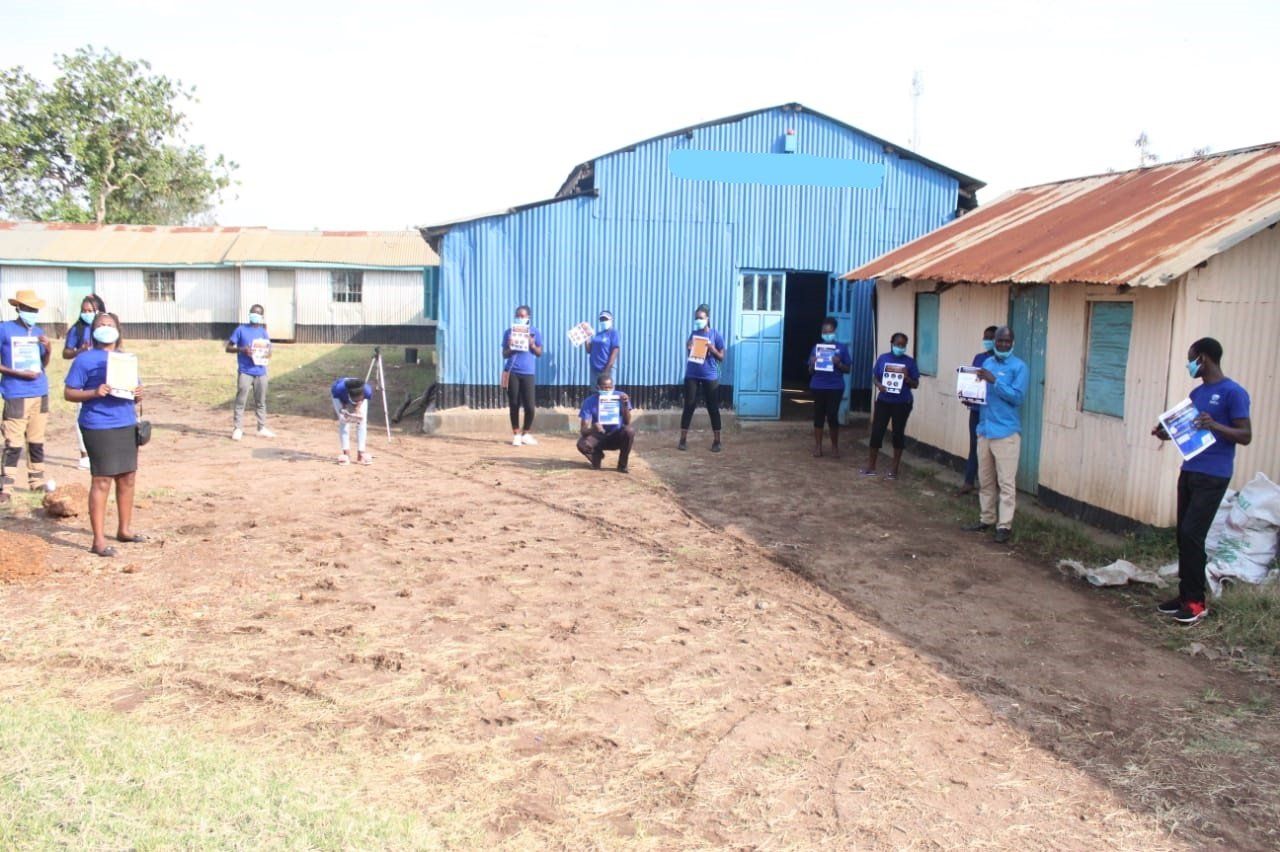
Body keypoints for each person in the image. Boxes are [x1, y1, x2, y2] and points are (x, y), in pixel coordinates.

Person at [1153, 338, 1252, 625]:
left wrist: (1215, 425)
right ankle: (1185, 596)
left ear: (1204, 358)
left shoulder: (1234, 392)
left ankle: (1197, 603)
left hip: (1214, 474)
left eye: (1191, 359)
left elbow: (1246, 435)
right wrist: (1166, 433)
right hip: (1190, 469)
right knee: (1183, 535)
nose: (1189, 365)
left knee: (1193, 533)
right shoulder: (1197, 394)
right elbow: (1190, 431)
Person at [63, 312, 146, 556]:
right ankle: (98, 540)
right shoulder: (84, 360)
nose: (106, 327)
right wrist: (94, 392)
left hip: (126, 422)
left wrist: (138, 393)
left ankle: (124, 530)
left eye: (110, 324)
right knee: (102, 479)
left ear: (118, 330)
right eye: (101, 324)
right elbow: (69, 393)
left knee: (127, 477)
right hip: (98, 424)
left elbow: (133, 391)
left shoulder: (125, 359)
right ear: (94, 331)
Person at [963, 326, 1028, 544]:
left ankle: (1004, 526)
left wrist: (995, 381)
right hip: (984, 430)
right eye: (1000, 340)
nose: (1002, 344)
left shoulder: (1019, 367)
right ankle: (987, 519)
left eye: (1007, 341)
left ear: (1012, 343)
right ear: (995, 342)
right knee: (986, 480)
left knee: (1006, 483)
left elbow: (1018, 397)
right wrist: (969, 397)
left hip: (1006, 433)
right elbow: (980, 393)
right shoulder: (987, 363)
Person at [0, 289, 53, 503]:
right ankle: (6, 486)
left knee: (36, 440)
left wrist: (48, 349)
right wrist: (18, 373)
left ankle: (36, 481)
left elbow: (43, 364)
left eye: (35, 309)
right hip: (16, 393)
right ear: (18, 308)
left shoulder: (38, 332)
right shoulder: (4, 329)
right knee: (13, 443)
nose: (32, 312)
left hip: (40, 392)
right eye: (28, 308)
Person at [861, 332, 920, 479]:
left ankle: (894, 469)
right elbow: (875, 377)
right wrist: (879, 385)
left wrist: (907, 378)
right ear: (892, 343)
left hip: (902, 403)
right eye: (898, 344)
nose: (900, 347)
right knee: (877, 432)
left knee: (897, 434)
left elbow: (915, 384)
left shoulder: (910, 362)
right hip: (884, 401)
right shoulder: (883, 358)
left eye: (903, 345)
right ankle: (871, 466)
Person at [63, 294, 108, 471]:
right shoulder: (78, 329)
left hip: (103, 374)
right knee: (82, 412)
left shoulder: (106, 327)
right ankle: (84, 454)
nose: (86, 314)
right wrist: (78, 351)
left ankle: (103, 451)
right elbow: (66, 353)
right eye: (84, 311)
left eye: (90, 310)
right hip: (84, 377)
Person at [678, 304, 726, 452]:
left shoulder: (715, 335)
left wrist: (712, 349)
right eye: (696, 318)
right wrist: (688, 346)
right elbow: (691, 354)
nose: (698, 320)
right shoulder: (694, 334)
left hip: (709, 375)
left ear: (707, 319)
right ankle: (682, 439)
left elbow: (721, 357)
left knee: (712, 407)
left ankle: (717, 441)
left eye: (701, 318)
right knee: (689, 406)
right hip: (692, 374)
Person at [958, 325, 998, 495]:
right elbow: (972, 380)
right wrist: (967, 395)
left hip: (995, 411)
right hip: (976, 410)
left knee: (994, 447)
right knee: (974, 445)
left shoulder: (1003, 362)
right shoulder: (979, 358)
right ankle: (969, 481)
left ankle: (991, 485)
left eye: (991, 338)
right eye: (985, 337)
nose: (987, 341)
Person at [226, 304, 274, 441]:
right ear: (249, 314)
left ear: (261, 317)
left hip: (260, 371)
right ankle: (238, 428)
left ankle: (261, 427)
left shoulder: (263, 332)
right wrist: (242, 350)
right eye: (253, 313)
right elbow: (228, 347)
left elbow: (268, 350)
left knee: (261, 401)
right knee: (241, 400)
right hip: (245, 371)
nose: (255, 315)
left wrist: (265, 354)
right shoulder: (240, 330)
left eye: (258, 313)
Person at [808, 317, 852, 458]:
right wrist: (812, 363)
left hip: (835, 387)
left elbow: (848, 369)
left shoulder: (842, 348)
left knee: (832, 415)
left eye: (830, 331)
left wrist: (838, 363)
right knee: (818, 416)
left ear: (834, 332)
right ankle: (818, 447)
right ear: (822, 333)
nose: (827, 334)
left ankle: (834, 447)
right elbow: (810, 371)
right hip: (818, 386)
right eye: (825, 332)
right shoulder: (816, 349)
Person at [577, 374, 636, 473]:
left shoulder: (621, 397)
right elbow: (583, 431)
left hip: (616, 436)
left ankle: (622, 465)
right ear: (598, 388)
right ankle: (597, 457)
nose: (608, 390)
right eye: (604, 388)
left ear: (613, 387)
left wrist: (625, 405)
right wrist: (593, 429)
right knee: (582, 444)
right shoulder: (589, 401)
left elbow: (627, 422)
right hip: (599, 437)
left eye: (610, 387)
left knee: (630, 431)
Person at [502, 305, 543, 446]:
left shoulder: (535, 332)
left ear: (528, 317)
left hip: (528, 373)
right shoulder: (509, 332)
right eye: (517, 316)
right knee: (514, 404)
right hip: (512, 371)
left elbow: (539, 353)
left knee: (530, 407)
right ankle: (516, 434)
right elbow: (504, 354)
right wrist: (510, 346)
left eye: (522, 316)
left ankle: (526, 433)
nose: (520, 318)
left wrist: (532, 345)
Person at [331, 377, 374, 466]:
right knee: (344, 422)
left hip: (354, 395)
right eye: (355, 400)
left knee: (362, 421)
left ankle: (361, 454)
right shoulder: (338, 389)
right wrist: (343, 410)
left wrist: (357, 408)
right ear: (349, 395)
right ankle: (346, 455)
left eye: (359, 399)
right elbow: (341, 403)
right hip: (340, 397)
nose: (356, 401)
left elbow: (362, 399)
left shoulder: (367, 391)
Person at [584, 310, 620, 387]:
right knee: (595, 390)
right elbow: (589, 350)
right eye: (602, 319)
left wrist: (607, 369)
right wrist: (586, 337)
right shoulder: (598, 334)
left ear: (611, 320)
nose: (603, 321)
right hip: (594, 369)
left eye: (605, 319)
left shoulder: (613, 333)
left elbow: (615, 351)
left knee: (606, 391)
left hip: (606, 368)